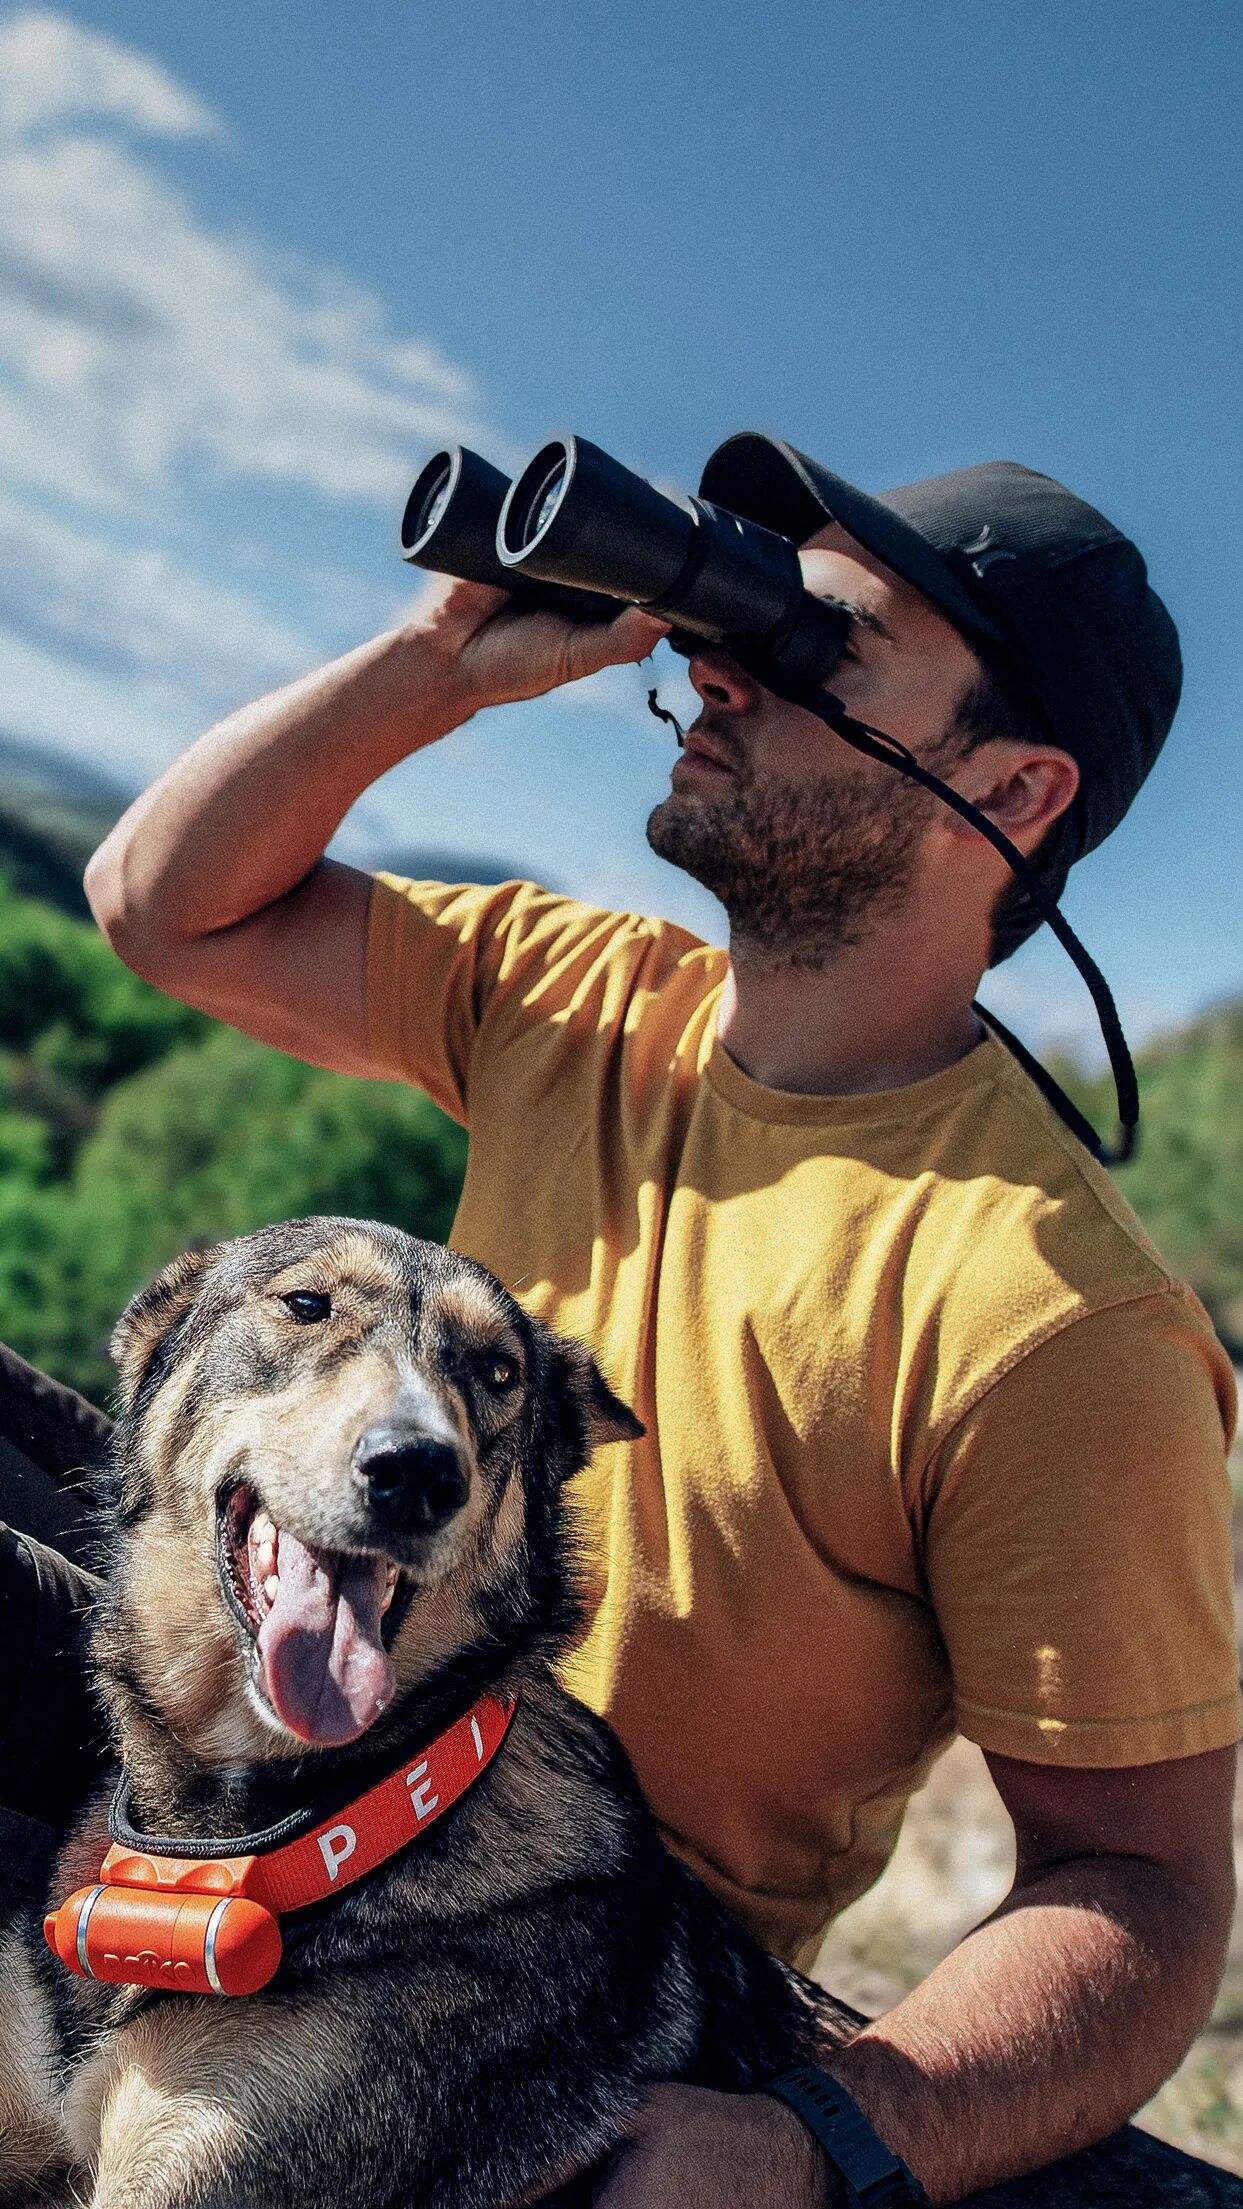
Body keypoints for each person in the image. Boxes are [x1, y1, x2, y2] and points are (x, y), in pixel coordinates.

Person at [11, 436, 1240, 2206]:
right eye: (752, 606)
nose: (721, 656)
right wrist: (439, 658)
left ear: (1020, 791)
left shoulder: (1050, 1311)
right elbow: (161, 901)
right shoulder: (582, 993)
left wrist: (820, 2140)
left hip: (524, 1922)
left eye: (828, 642)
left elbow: (1142, 1886)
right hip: (268, 1668)